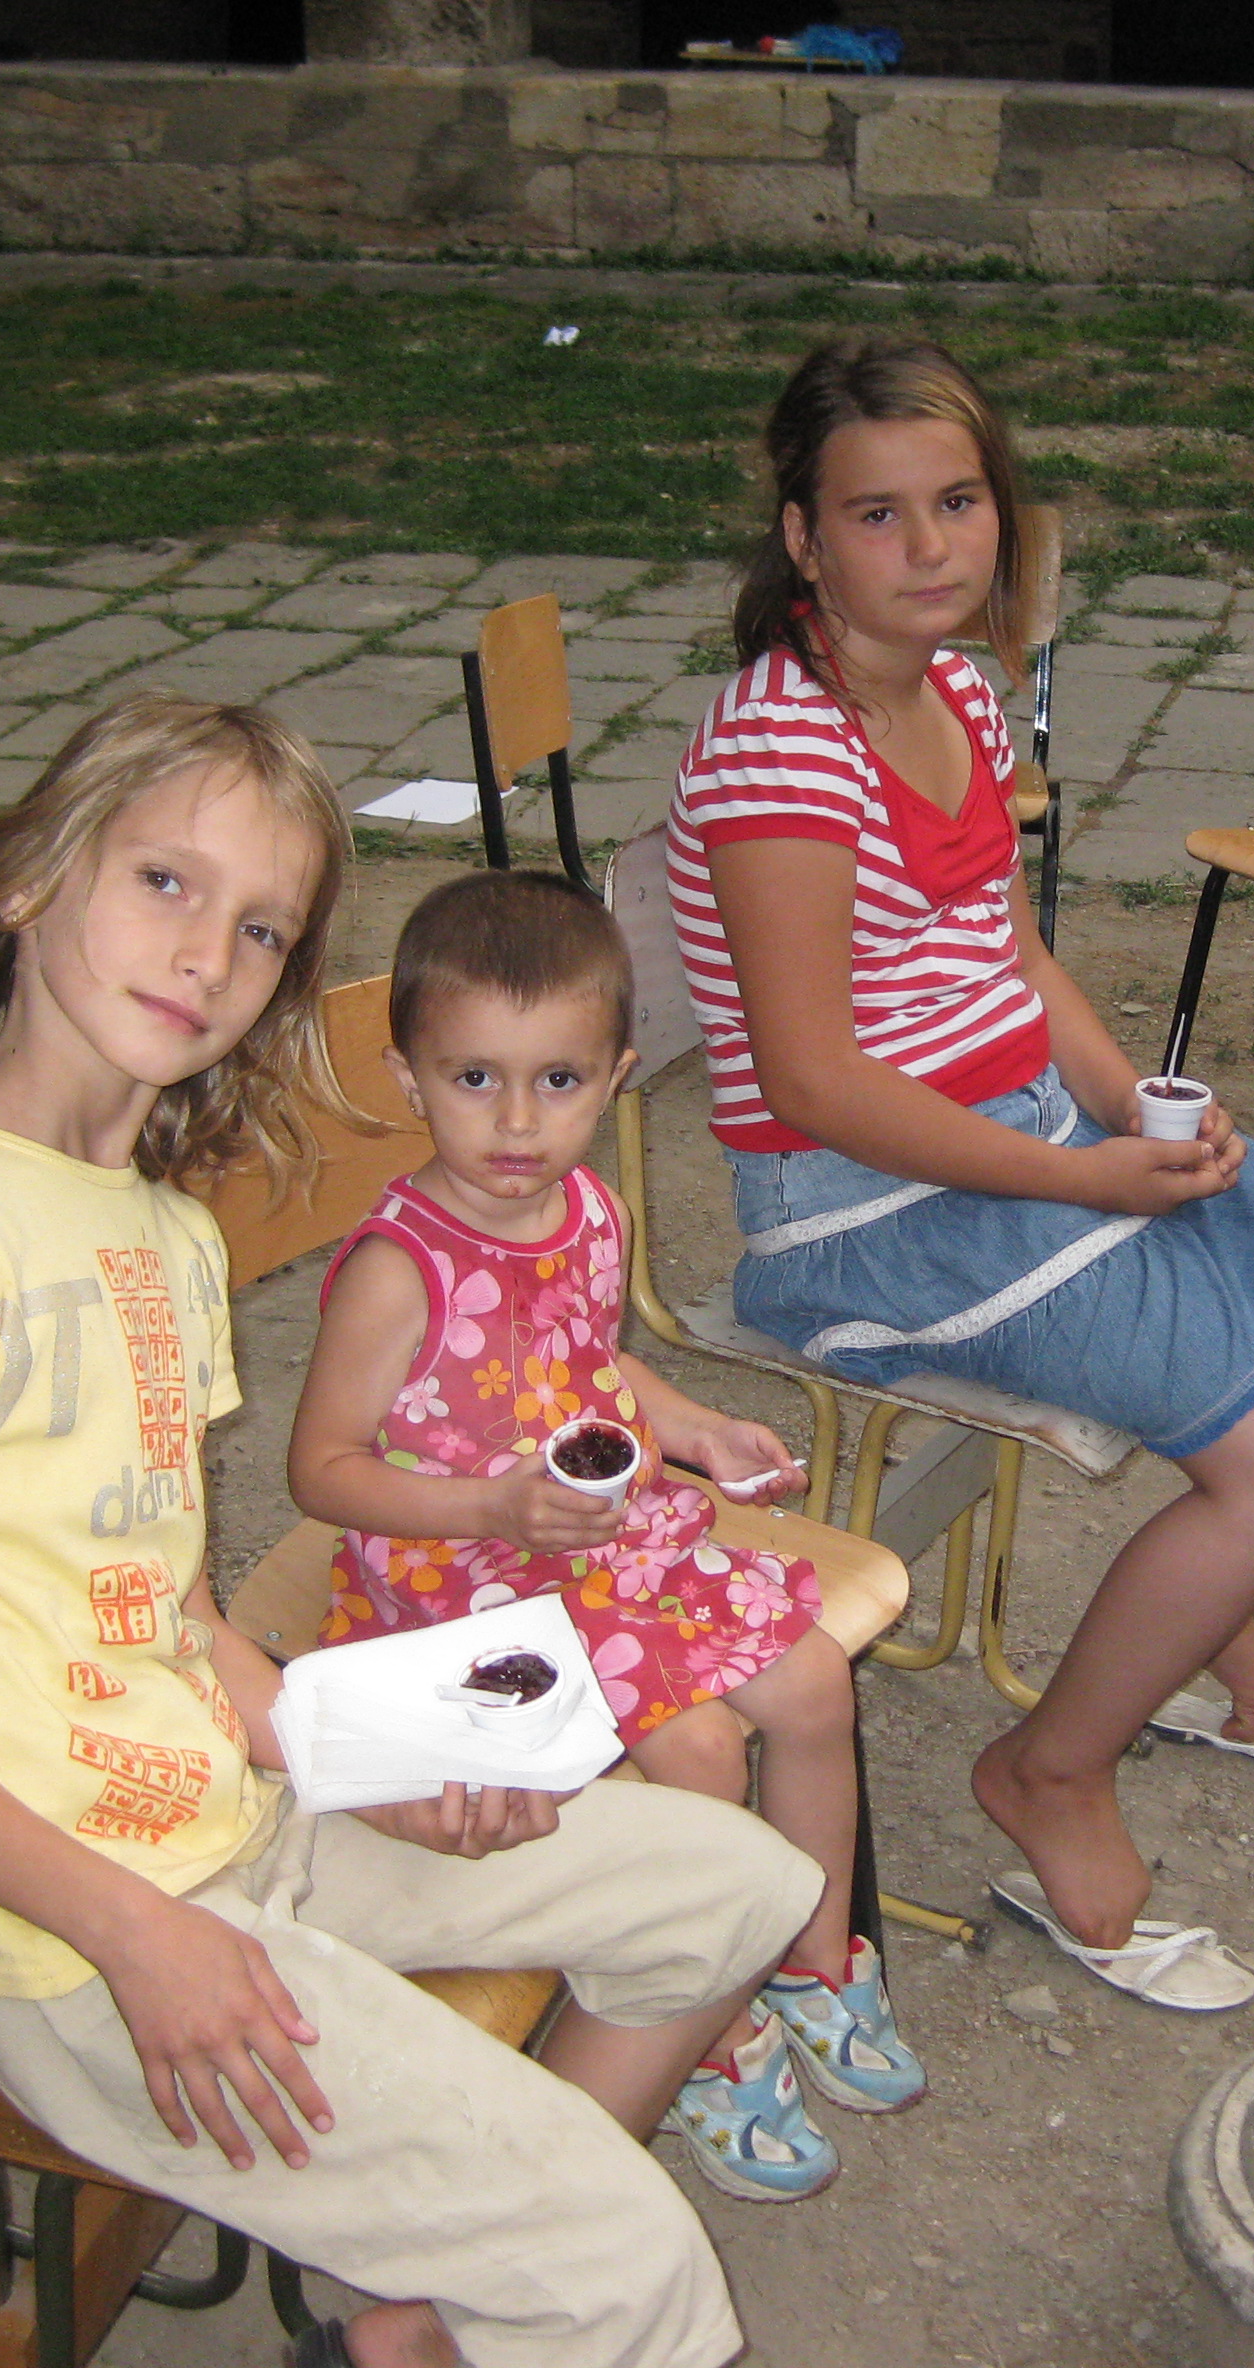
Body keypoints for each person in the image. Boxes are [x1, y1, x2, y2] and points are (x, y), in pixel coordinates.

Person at [0, 696, 820, 2368]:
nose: (209, 953)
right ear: (29, 878)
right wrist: (140, 1934)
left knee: (741, 1887)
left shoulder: (161, 1232)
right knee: (625, 2262)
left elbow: (170, 1611)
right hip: (60, 1934)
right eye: (165, 882)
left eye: (261, 928)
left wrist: (373, 1766)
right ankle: (518, 2290)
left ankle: (421, 2318)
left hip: (243, 1817)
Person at [667, 337, 1254, 2011]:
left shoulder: (952, 687)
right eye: (878, 514)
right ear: (803, 540)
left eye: (959, 502)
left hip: (1010, 1132)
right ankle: (1048, 1769)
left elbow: (1003, 951)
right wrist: (1080, 1178)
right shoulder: (779, 751)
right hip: (856, 1215)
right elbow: (810, 1082)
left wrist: (1131, 1103)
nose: (932, 545)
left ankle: (1186, 1601)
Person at [289, 866, 916, 2209]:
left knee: (813, 1681)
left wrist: (693, 1429)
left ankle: (810, 1966)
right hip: (462, 1588)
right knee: (700, 1746)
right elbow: (321, 1472)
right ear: (408, 1078)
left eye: (559, 1082)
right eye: (475, 1079)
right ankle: (703, 2026)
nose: (519, 1123)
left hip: (594, 1543)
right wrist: (489, 1507)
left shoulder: (590, 1214)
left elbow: (593, 1366)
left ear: (618, 1077)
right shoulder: (400, 1270)